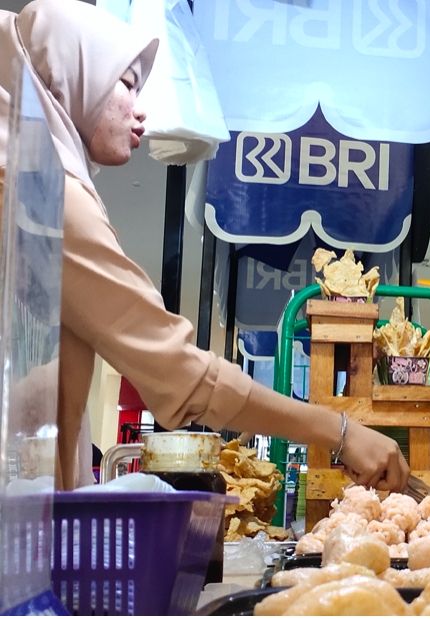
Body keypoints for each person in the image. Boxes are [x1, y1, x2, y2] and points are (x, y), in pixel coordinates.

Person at [0, 0, 409, 492]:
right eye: (127, 84)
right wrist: (339, 430)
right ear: (72, 73)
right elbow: (176, 370)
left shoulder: (28, 171)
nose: (142, 111)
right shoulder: (37, 186)